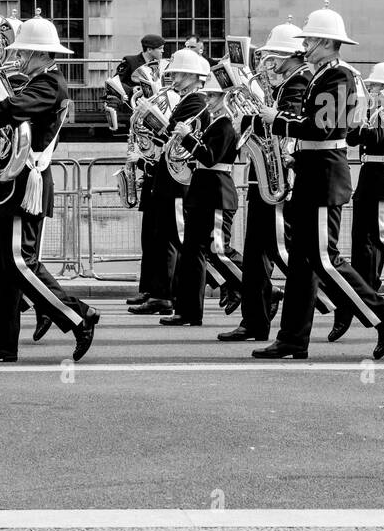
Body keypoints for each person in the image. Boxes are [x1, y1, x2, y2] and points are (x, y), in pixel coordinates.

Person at [251, 4, 384, 360]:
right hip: (313, 168)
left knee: (324, 257)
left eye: (310, 40)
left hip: (325, 173)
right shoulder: (323, 75)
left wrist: (279, 121)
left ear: (324, 42)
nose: (305, 46)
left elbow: (323, 126)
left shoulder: (339, 76)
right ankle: (292, 337)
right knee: (304, 262)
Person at [0, 16, 101, 363]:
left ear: (40, 54)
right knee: (2, 268)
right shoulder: (36, 81)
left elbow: (14, 109)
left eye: (24, 51)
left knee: (19, 263)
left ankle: (77, 316)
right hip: (10, 184)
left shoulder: (50, 83)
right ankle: (1, 343)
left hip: (25, 184)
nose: (19, 56)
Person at [219, 21, 319, 342]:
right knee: (255, 254)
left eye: (275, 56)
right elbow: (262, 122)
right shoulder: (283, 82)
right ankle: (255, 321)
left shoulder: (298, 81)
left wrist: (259, 106)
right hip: (263, 172)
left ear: (290, 56)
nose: (270, 63)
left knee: (280, 250)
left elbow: (282, 125)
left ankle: (335, 298)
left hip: (278, 175)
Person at [128, 47, 210, 315]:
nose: (174, 78)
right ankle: (162, 292)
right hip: (167, 177)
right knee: (163, 237)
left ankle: (166, 294)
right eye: (174, 73)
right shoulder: (186, 99)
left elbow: (175, 137)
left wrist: (151, 115)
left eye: (181, 74)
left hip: (178, 179)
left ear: (194, 76)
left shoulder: (196, 101)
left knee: (173, 239)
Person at [162, 72, 246, 326]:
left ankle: (258, 287)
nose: (208, 100)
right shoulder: (213, 122)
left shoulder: (226, 123)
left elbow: (210, 157)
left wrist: (187, 136)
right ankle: (188, 311)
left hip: (217, 192)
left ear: (225, 97)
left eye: (213, 96)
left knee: (219, 249)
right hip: (202, 192)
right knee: (191, 254)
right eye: (207, 95)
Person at [338, 60, 384, 331]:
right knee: (363, 242)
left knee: (381, 237)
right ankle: (366, 289)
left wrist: (368, 116)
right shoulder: (374, 110)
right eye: (373, 86)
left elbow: (376, 137)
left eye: (379, 86)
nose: (374, 90)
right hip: (369, 177)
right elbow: (355, 139)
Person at [106, 33, 165, 130]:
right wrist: (132, 89)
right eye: (160, 48)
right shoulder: (129, 60)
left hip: (153, 108)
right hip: (133, 107)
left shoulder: (158, 65)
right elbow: (115, 83)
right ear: (149, 50)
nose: (163, 51)